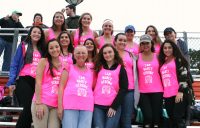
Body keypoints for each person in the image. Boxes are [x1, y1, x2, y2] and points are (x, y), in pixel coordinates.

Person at [6, 26, 45, 128]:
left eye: (39, 33)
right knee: (29, 107)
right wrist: (12, 81)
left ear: (41, 36)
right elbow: (14, 63)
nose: (36, 34)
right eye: (34, 32)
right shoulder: (24, 45)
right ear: (30, 34)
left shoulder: (43, 49)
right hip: (24, 79)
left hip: (38, 81)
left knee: (32, 109)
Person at [58, 45, 95, 128]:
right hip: (70, 105)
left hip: (87, 106)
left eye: (83, 53)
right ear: (74, 55)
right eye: (78, 53)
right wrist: (60, 107)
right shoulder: (68, 67)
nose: (80, 55)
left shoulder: (91, 71)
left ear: (87, 55)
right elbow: (61, 87)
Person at [92, 44, 128, 128]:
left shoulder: (121, 68)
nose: (107, 55)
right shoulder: (98, 67)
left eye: (109, 52)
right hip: (97, 105)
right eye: (105, 53)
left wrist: (114, 106)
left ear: (114, 53)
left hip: (113, 105)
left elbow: (123, 89)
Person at [159, 40, 192, 128]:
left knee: (177, 118)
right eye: (165, 48)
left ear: (174, 48)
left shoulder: (178, 59)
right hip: (167, 95)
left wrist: (180, 91)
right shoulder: (163, 62)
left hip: (179, 93)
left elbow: (184, 76)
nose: (167, 50)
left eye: (169, 47)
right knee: (171, 119)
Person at [31, 39, 63, 128]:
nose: (54, 49)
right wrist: (38, 103)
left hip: (56, 105)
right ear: (48, 50)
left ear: (60, 47)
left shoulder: (65, 63)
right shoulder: (43, 61)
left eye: (56, 47)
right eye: (51, 48)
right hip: (42, 102)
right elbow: (38, 82)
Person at [137, 34, 163, 128]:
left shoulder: (158, 56)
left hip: (157, 91)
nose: (145, 45)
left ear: (151, 44)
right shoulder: (136, 57)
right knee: (148, 118)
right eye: (142, 43)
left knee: (156, 120)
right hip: (143, 92)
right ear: (140, 45)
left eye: (147, 43)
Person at [114, 33, 138, 128]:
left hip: (129, 89)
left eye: (124, 40)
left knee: (126, 118)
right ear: (115, 41)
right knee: (115, 118)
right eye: (120, 40)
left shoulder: (130, 54)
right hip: (115, 90)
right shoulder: (110, 53)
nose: (123, 42)